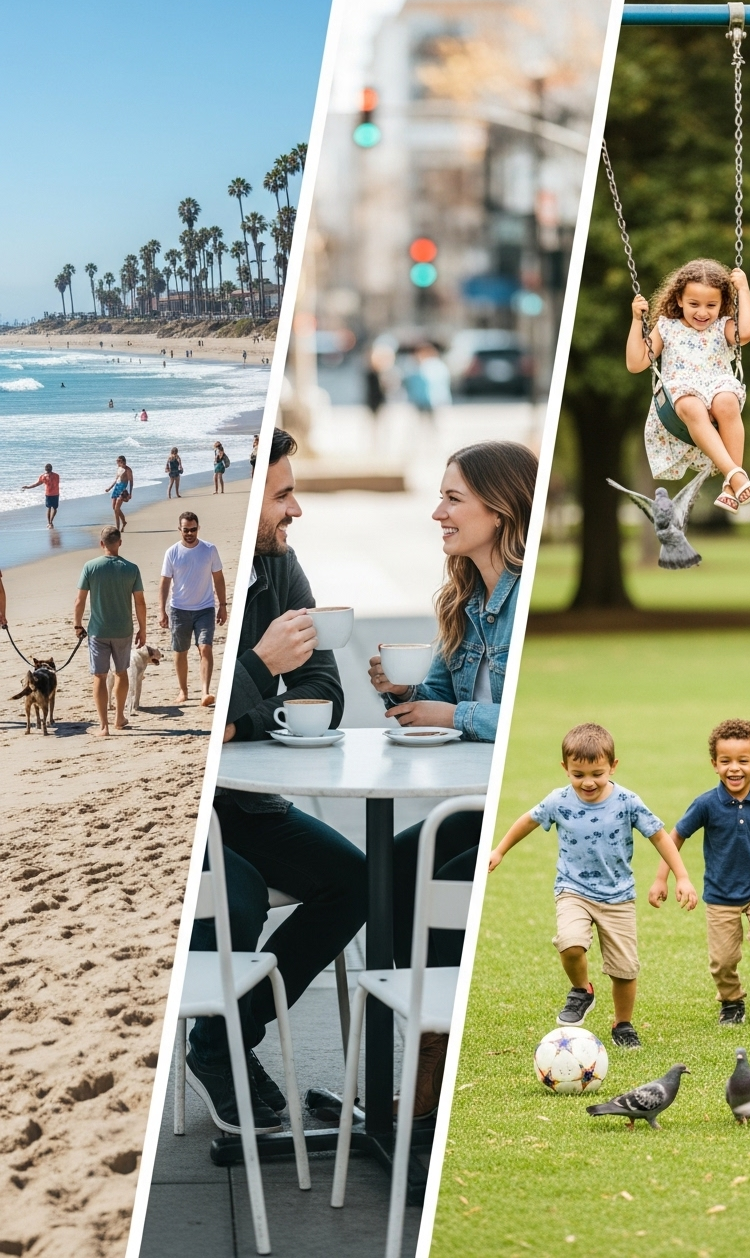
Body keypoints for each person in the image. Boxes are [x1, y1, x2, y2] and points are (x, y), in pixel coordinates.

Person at [185, 429, 366, 1135]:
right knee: (240, 895)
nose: (296, 511)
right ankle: (223, 1050)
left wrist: (243, 714)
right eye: (283, 495)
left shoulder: (283, 568)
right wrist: (257, 670)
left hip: (251, 803)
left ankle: (222, 1042)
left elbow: (324, 692)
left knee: (356, 881)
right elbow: (205, 720)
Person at [368, 439, 537, 1112]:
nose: (438, 512)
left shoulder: (525, 596)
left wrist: (454, 713)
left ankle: (428, 1073)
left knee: (432, 872)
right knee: (381, 872)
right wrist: (396, 692)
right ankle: (426, 1045)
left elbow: (515, 718)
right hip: (470, 799)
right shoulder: (467, 600)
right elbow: (432, 704)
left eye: (452, 498)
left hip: (509, 801)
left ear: (499, 510)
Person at [490, 722, 696, 1047]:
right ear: (565, 769)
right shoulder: (559, 801)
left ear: (613, 766)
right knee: (570, 944)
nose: (588, 782)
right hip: (573, 890)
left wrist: (681, 876)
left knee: (624, 970)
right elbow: (528, 820)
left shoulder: (627, 801)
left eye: (597, 773)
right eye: (578, 774)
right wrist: (499, 850)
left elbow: (658, 835)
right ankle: (581, 990)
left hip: (618, 897)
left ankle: (623, 1025)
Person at [650, 718, 750, 1026]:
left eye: (743, 761)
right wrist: (664, 877)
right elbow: (674, 837)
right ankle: (731, 1001)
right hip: (720, 893)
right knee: (723, 961)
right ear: (714, 764)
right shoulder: (706, 804)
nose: (734, 768)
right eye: (725, 761)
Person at [627, 258, 750, 509]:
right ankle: (737, 475)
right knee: (692, 404)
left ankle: (731, 487)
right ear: (679, 300)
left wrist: (743, 289)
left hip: (717, 388)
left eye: (711, 305)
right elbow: (636, 363)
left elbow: (748, 331)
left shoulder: (723, 326)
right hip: (681, 395)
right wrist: (636, 321)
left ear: (722, 304)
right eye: (694, 304)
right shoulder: (667, 327)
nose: (702, 312)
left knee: (728, 400)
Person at [74, 526, 146, 737]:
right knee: (121, 672)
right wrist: (143, 629)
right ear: (120, 543)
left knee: (99, 675)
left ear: (101, 543)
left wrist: (77, 624)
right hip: (123, 629)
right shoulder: (131, 568)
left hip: (98, 630)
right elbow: (140, 602)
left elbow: (80, 600)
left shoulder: (90, 567)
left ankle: (103, 726)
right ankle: (119, 718)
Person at [159, 512, 227, 707]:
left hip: (205, 608)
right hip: (179, 609)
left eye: (193, 529)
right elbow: (164, 583)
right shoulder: (172, 552)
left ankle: (205, 692)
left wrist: (222, 606)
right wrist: (162, 610)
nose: (189, 533)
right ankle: (183, 691)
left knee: (205, 648)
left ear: (198, 528)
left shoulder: (209, 549)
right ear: (179, 529)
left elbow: (219, 579)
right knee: (180, 651)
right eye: (186, 530)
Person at [22, 464, 60, 528]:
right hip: (50, 494)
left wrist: (28, 487)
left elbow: (38, 484)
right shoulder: (45, 476)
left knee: (54, 508)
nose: (48, 469)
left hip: (55, 494)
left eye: (49, 468)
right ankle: (50, 523)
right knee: (49, 508)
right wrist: (28, 487)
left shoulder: (55, 476)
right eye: (47, 468)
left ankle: (50, 522)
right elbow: (38, 484)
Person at [105, 456, 133, 532]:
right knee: (114, 508)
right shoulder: (119, 469)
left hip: (122, 490)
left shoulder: (128, 470)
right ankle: (124, 522)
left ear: (122, 461)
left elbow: (131, 481)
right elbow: (116, 480)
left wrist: (130, 493)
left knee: (117, 509)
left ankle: (117, 528)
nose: (116, 462)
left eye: (117, 461)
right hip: (116, 488)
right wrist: (109, 488)